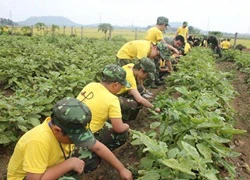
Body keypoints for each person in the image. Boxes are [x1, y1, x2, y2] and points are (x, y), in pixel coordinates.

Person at [7, 97, 132, 180]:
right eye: (74, 138)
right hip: (30, 177)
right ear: (57, 130)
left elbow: (98, 147)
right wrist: (69, 164)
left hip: (49, 166)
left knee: (89, 159)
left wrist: (121, 169)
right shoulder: (38, 141)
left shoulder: (67, 129)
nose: (77, 141)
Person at [76, 64, 130, 151]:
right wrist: (127, 126)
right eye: (121, 85)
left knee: (107, 123)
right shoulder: (112, 99)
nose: (122, 88)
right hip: (86, 137)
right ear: (115, 85)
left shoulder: (91, 85)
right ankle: (96, 153)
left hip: (72, 129)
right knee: (122, 135)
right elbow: (119, 128)